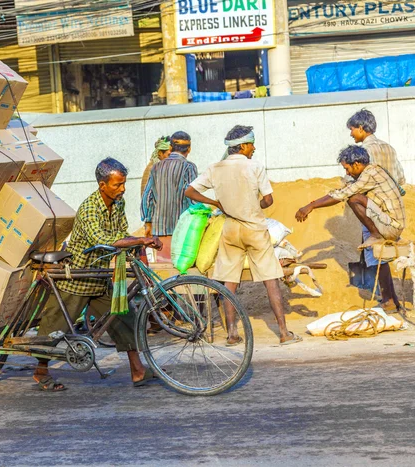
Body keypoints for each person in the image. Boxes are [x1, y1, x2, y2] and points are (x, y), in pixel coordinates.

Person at [33, 158, 163, 391]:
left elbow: (120, 231)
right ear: (102, 185)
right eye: (117, 185)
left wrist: (138, 243)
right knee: (55, 327)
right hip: (79, 278)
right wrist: (141, 239)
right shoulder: (89, 208)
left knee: (125, 318)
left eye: (123, 184)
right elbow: (103, 241)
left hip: (100, 276)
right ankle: (40, 370)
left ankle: (137, 370)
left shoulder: (118, 202)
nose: (122, 189)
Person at [184, 125, 301, 346]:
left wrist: (215, 202)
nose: (254, 148)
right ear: (244, 146)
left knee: (230, 281)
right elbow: (268, 201)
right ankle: (284, 333)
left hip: (230, 229)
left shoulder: (215, 168)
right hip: (255, 229)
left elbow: (189, 191)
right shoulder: (254, 166)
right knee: (271, 280)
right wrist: (254, 205)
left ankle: (232, 334)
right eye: (252, 144)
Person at [295, 145, 405, 313]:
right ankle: (391, 301)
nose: (347, 173)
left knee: (353, 199)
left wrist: (310, 206)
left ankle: (376, 235)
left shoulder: (370, 173)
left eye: (347, 168)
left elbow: (343, 195)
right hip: (391, 222)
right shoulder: (372, 171)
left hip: (391, 226)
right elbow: (341, 190)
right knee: (380, 259)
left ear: (357, 164)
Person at [347, 109, 406, 305]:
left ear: (362, 129)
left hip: (373, 208)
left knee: (376, 254)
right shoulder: (389, 148)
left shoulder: (363, 153)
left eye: (353, 129)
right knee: (384, 253)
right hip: (393, 209)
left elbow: (353, 184)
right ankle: (392, 299)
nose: (351, 133)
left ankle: (388, 300)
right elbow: (401, 178)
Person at [141, 131, 197, 262]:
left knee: (164, 273)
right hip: (181, 229)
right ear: (189, 149)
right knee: (180, 271)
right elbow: (192, 198)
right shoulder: (188, 167)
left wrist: (148, 221)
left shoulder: (156, 167)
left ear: (170, 148)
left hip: (159, 230)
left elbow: (147, 197)